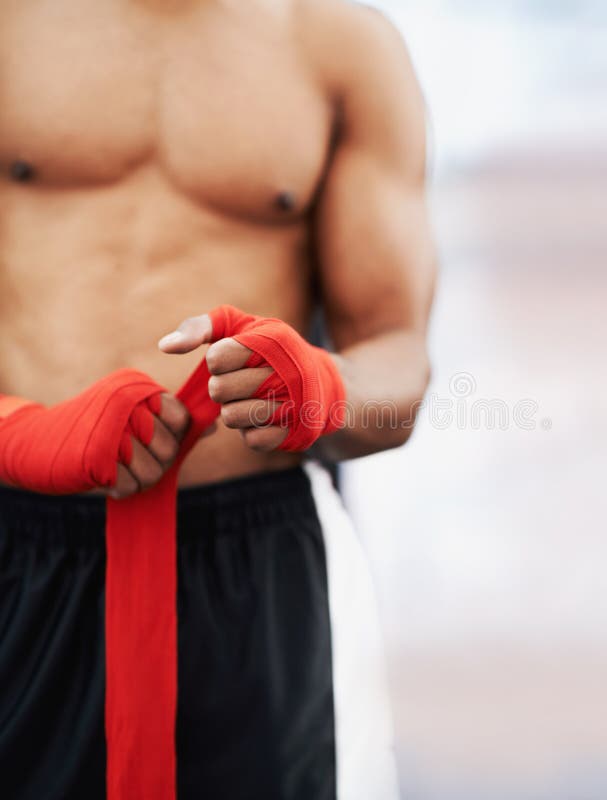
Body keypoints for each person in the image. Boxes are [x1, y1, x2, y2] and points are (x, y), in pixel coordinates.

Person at [0, 1, 436, 798]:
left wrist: (326, 392)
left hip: (256, 568)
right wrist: (17, 434)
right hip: (12, 546)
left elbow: (400, 358)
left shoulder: (339, 47)